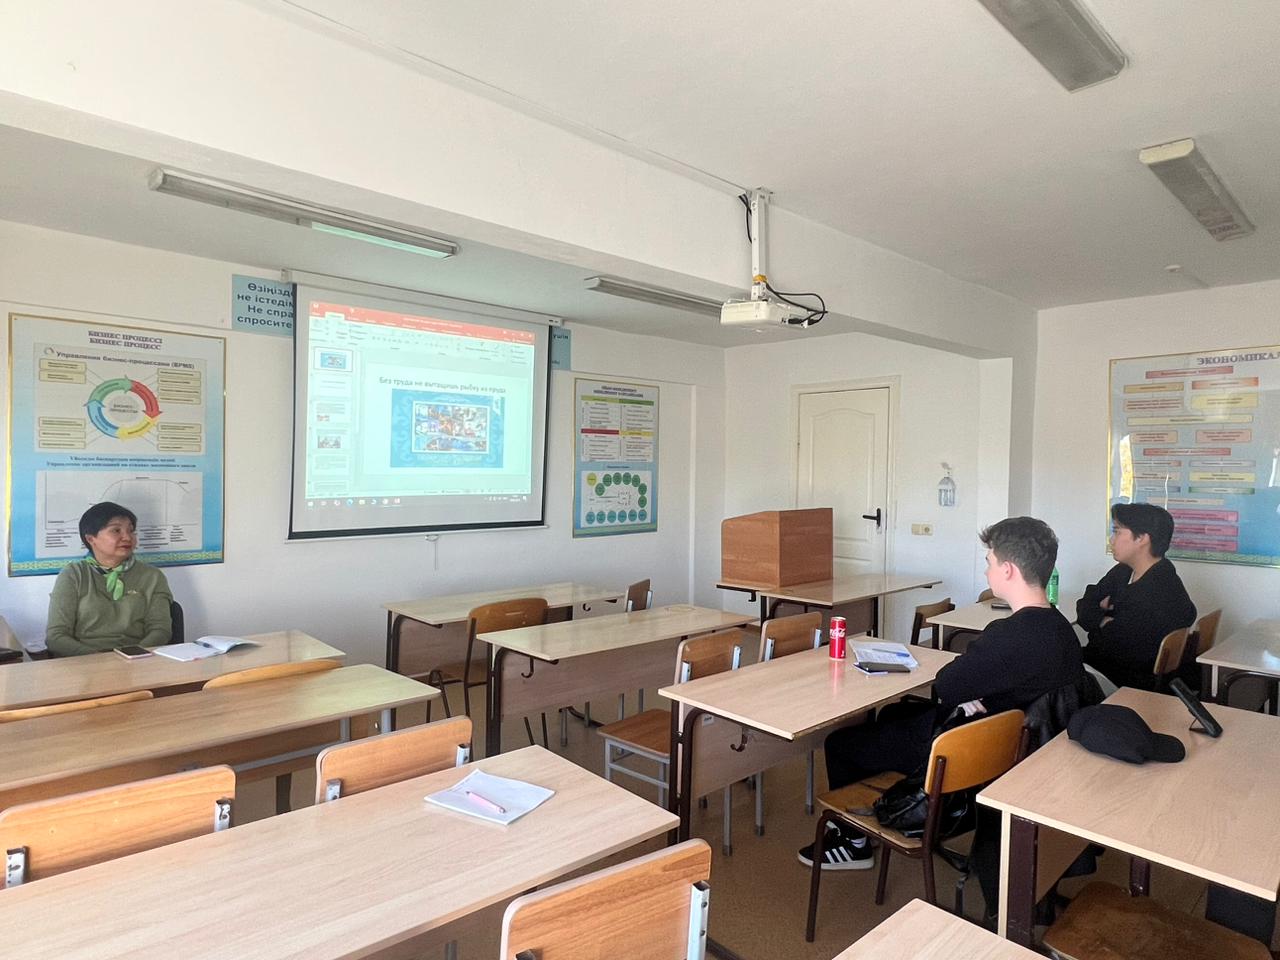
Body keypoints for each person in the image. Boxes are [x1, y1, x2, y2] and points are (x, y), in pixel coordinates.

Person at [800, 516, 1086, 871]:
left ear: (1008, 570)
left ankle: (853, 845)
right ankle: (878, 815)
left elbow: (947, 686)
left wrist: (967, 694)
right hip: (1006, 752)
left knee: (840, 744)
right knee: (891, 714)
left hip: (963, 753)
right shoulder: (1060, 628)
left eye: (990, 562)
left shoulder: (1009, 635)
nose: (986, 571)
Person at [1076, 502, 1196, 690]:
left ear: (1142, 538)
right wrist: (1104, 620)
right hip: (1110, 665)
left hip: (1126, 680)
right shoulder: (1124, 571)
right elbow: (1085, 603)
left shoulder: (1161, 589)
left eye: (1117, 532)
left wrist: (1101, 619)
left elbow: (1114, 645)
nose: (1111, 540)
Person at [45, 501, 173, 656]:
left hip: (137, 659)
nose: (127, 537)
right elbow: (56, 636)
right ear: (91, 539)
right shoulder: (73, 575)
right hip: (85, 660)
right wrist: (98, 659)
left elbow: (160, 630)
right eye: (116, 530)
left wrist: (133, 656)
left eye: (131, 531)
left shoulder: (152, 576)